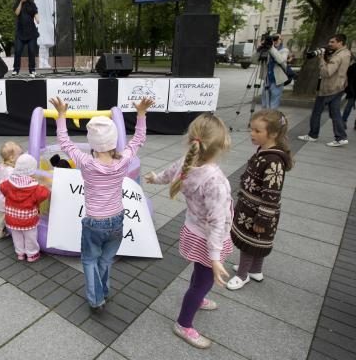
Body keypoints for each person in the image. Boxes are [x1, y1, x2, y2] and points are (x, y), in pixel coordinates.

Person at [50, 96, 154, 313]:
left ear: (92, 143)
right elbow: (138, 139)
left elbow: (64, 141)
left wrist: (61, 115)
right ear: (115, 141)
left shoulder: (86, 163)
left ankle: (96, 299)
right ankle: (104, 290)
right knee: (106, 260)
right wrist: (141, 113)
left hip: (94, 222)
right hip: (117, 220)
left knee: (89, 260)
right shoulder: (123, 160)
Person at [145, 113, 233, 349]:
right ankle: (184, 323)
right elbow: (217, 221)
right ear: (223, 144)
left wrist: (154, 178)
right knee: (203, 282)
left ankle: (198, 298)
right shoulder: (214, 180)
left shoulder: (187, 161)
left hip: (194, 232)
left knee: (199, 274)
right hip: (209, 240)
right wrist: (215, 258)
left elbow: (168, 175)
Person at [227, 110, 293, 290]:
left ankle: (242, 275)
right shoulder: (264, 152)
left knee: (250, 242)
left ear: (273, 134)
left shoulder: (273, 161)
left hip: (258, 212)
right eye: (252, 129)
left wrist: (263, 218)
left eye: (257, 131)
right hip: (249, 208)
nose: (252, 134)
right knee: (255, 241)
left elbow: (272, 193)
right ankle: (255, 270)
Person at [298, 33, 352, 147]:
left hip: (329, 89)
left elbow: (327, 72)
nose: (330, 44)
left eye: (333, 42)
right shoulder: (346, 53)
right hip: (338, 87)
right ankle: (341, 137)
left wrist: (322, 59)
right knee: (335, 113)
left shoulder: (338, 56)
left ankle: (313, 135)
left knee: (317, 112)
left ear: (340, 42)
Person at [0, 153, 50, 262]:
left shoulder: (8, 183)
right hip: (28, 220)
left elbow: (2, 188)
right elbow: (44, 194)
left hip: (12, 218)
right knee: (30, 237)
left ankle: (20, 253)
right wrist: (44, 185)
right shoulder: (34, 187)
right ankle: (32, 254)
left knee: (17, 236)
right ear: (32, 171)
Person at [0, 141, 23, 240]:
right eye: (20, 154)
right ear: (12, 158)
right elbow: (13, 183)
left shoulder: (4, 166)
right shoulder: (11, 171)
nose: (22, 156)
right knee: (1, 216)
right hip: (3, 197)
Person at [252, 33, 289, 109]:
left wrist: (271, 47)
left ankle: (271, 120)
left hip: (277, 82)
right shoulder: (266, 49)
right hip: (267, 81)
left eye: (277, 39)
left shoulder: (284, 50)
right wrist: (259, 49)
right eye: (273, 38)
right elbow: (253, 60)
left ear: (281, 40)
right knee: (264, 105)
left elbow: (281, 60)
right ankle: (265, 120)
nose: (275, 40)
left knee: (273, 106)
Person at [12, 0, 39, 78]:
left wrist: (38, 19)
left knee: (32, 51)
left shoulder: (32, 4)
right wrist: (21, 2)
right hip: (20, 32)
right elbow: (17, 13)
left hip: (31, 32)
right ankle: (16, 69)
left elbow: (35, 13)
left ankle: (32, 70)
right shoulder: (17, 3)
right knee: (18, 51)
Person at [341, 58, 356, 130]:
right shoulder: (352, 67)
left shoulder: (352, 67)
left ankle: (344, 121)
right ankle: (343, 121)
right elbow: (349, 79)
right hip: (352, 90)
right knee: (348, 106)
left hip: (352, 90)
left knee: (348, 107)